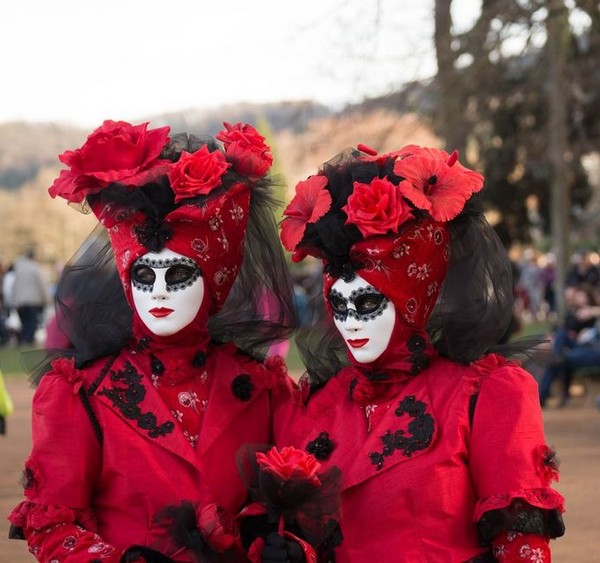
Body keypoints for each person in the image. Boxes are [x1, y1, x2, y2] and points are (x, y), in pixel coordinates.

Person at [8, 120, 298, 562]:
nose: (158, 291)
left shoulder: (263, 388)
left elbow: (294, 513)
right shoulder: (83, 392)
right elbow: (53, 522)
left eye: (179, 273)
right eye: (144, 275)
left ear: (216, 277)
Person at [274, 143, 565, 561]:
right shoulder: (317, 404)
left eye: (370, 302)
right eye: (339, 304)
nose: (350, 321)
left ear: (413, 296)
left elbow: (521, 550)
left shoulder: (484, 395)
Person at [10, 250, 51, 344]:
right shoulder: (35, 268)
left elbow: (14, 286)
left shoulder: (18, 269)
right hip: (32, 301)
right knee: (32, 323)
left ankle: (23, 340)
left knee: (25, 323)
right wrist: (47, 299)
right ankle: (27, 341)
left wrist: (13, 300)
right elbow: (42, 285)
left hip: (20, 302)